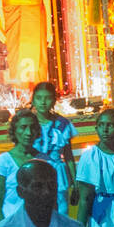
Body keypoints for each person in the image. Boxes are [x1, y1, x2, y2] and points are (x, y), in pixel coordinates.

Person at [31, 82, 78, 211]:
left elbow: (68, 156)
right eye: (39, 98)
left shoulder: (62, 124)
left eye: (47, 98)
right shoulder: (28, 123)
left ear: (54, 101)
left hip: (57, 174)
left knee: (61, 211)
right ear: (33, 100)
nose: (43, 102)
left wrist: (75, 182)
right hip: (34, 174)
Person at [0, 110, 42, 223]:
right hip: (10, 225)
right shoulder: (3, 161)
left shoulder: (43, 160)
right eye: (23, 127)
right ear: (14, 130)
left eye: (32, 127)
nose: (28, 132)